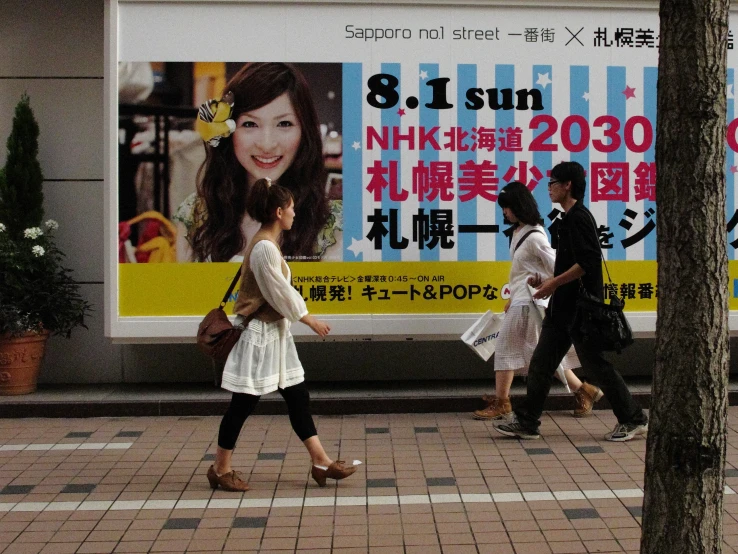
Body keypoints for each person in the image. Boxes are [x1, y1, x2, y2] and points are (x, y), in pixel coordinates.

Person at [206, 178, 357, 491]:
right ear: (278, 212)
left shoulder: (267, 244)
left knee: (297, 396)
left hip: (274, 335)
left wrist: (301, 317)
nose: (294, 213)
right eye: (290, 208)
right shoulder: (263, 248)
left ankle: (321, 461)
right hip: (258, 336)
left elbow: (278, 291)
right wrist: (308, 318)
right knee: (243, 404)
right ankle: (220, 468)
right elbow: (279, 292)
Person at [494, 162, 648, 442]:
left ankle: (633, 418)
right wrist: (543, 278)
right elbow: (564, 265)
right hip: (562, 308)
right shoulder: (566, 219)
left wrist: (553, 283)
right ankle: (528, 422)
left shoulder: (579, 218)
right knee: (541, 364)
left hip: (579, 309)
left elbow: (587, 263)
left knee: (595, 366)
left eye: (553, 182)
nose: (548, 187)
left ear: (568, 185)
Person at [173, 62, 342, 263]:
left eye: (284, 124)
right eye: (250, 124)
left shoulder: (331, 224)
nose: (267, 144)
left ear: (304, 131)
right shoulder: (197, 216)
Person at [473, 182, 603, 421]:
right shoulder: (519, 232)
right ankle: (584, 390)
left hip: (530, 304)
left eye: (508, 207)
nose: (504, 212)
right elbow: (520, 273)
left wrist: (541, 282)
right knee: (539, 355)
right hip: (522, 302)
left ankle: (503, 402)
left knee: (506, 349)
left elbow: (556, 268)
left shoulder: (535, 235)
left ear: (519, 207)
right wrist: (513, 297)